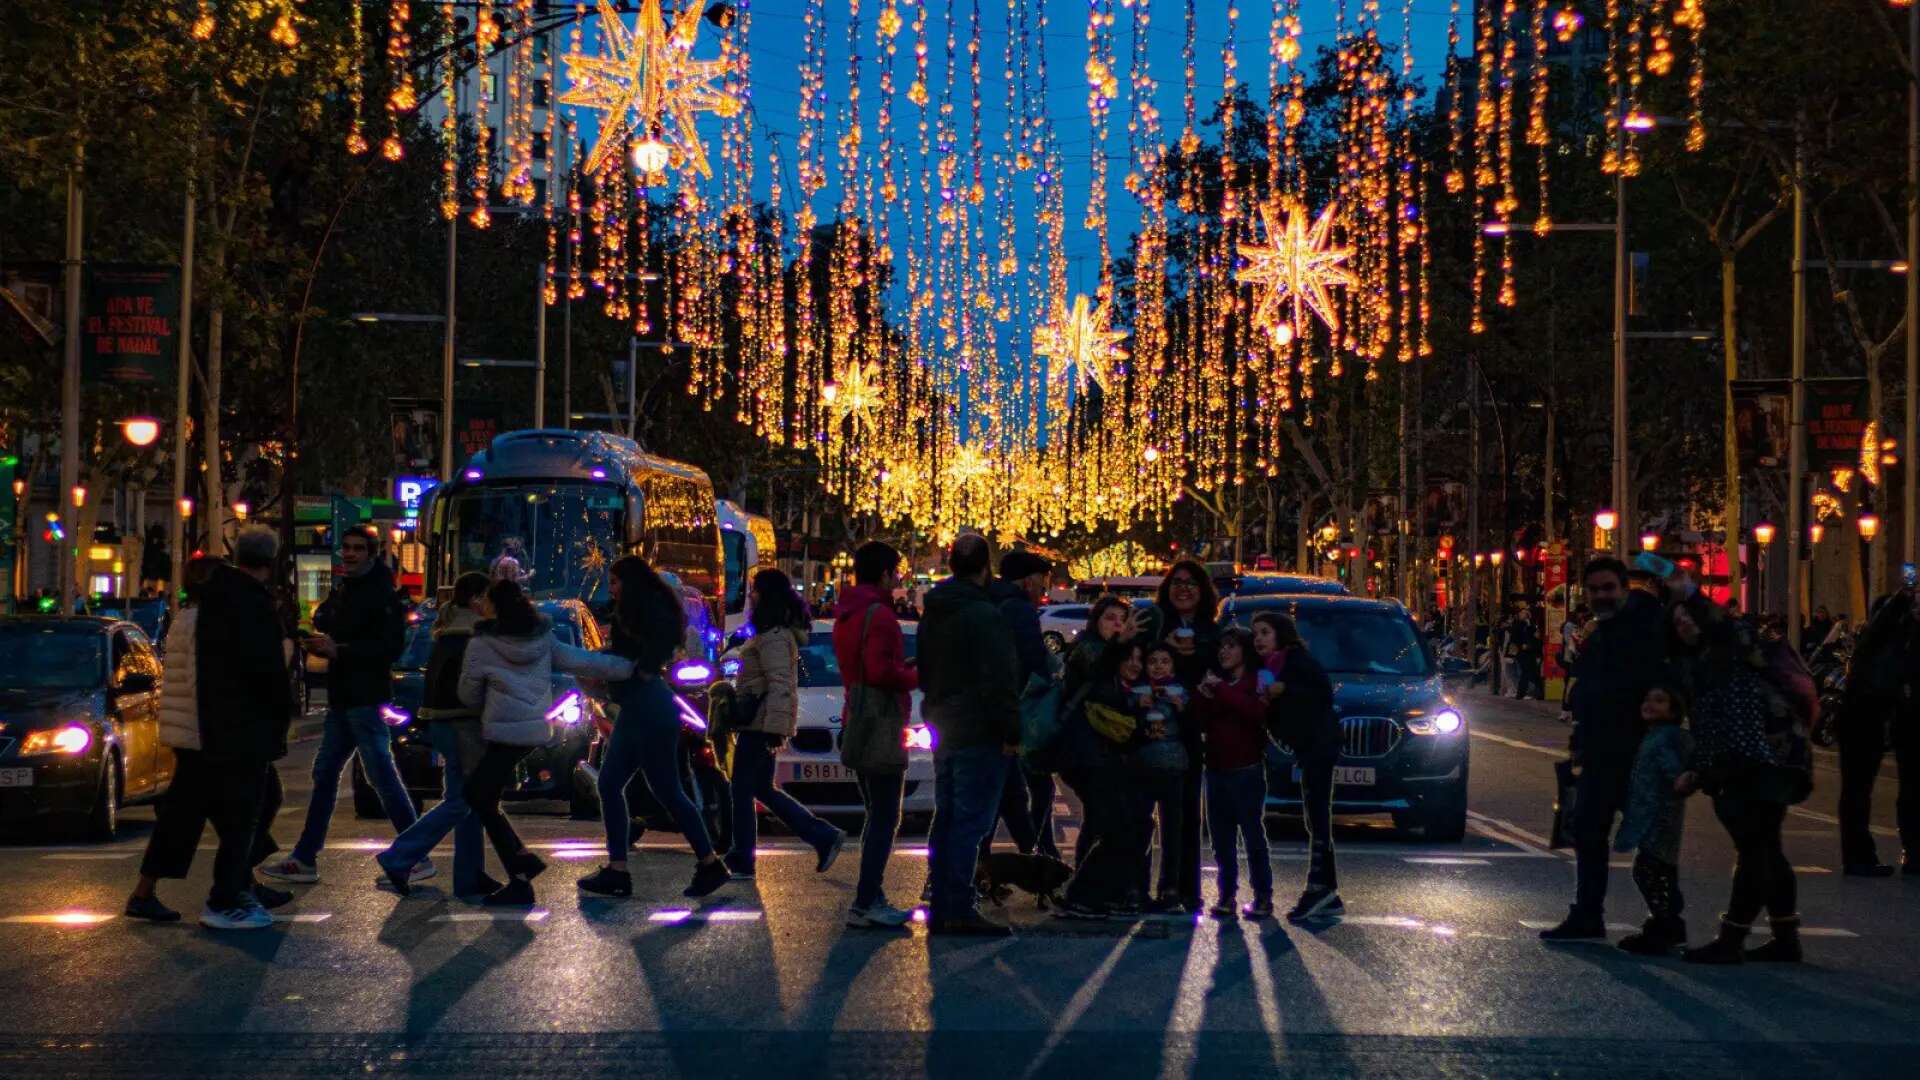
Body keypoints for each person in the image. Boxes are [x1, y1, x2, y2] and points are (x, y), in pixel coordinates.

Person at [126, 539, 294, 929]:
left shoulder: (187, 618)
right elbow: (241, 674)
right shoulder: (217, 621)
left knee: (188, 816)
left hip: (191, 731)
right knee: (249, 807)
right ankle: (232, 889)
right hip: (210, 732)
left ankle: (152, 892)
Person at [455, 578, 634, 906]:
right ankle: (520, 873)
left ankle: (520, 865)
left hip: (502, 730)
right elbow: (584, 660)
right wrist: (632, 667)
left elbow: (468, 695)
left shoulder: (481, 645)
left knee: (477, 795)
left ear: (493, 608)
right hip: (534, 732)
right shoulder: (542, 639)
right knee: (484, 796)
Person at [264, 526, 416, 885]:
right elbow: (326, 618)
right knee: (327, 774)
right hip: (344, 697)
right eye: (345, 548)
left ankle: (414, 850)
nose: (349, 554)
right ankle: (305, 856)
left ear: (372, 553)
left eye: (357, 549)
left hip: (364, 697)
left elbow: (390, 648)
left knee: (379, 773)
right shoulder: (348, 588)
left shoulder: (381, 594)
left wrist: (340, 650)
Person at [1668, 595, 1813, 963]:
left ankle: (1732, 938)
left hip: (1757, 765)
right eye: (1679, 618)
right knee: (1768, 849)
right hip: (1775, 760)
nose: (1683, 624)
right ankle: (1785, 937)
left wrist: (1699, 773)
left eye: (1691, 618)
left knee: (1755, 850)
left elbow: (1731, 732)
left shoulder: (1724, 661)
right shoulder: (1714, 657)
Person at [579, 556, 731, 899]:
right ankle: (628, 867)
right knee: (625, 785)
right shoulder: (648, 613)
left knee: (658, 790)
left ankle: (703, 864)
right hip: (645, 707)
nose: (611, 589)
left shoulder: (635, 615)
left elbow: (629, 661)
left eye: (615, 582)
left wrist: (630, 669)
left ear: (629, 583)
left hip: (644, 709)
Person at [1540, 557, 1669, 941]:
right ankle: (1587, 914)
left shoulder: (1647, 628)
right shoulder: (1601, 633)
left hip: (1639, 752)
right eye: (1594, 590)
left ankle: (1665, 920)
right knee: (1588, 832)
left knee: (1651, 839)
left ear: (1624, 588)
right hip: (1599, 751)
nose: (1601, 596)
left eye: (1609, 588)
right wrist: (1579, 744)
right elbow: (1589, 692)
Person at [917, 533, 1023, 936]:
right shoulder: (984, 615)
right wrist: (1011, 729)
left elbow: (925, 669)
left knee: (948, 817)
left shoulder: (936, 612)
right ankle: (957, 904)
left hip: (944, 721)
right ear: (985, 567)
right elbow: (1001, 679)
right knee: (969, 822)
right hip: (979, 727)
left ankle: (944, 901)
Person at [374, 573, 498, 900]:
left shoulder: (447, 632)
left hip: (445, 725)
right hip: (463, 726)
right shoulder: (473, 636)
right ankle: (399, 857)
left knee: (466, 801)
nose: (492, 606)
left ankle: (470, 876)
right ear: (475, 600)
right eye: (488, 598)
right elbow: (473, 689)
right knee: (463, 802)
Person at [726, 568, 849, 879]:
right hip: (760, 722)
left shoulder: (775, 638)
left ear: (766, 595)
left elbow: (781, 683)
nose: (751, 595)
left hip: (760, 724)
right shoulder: (770, 635)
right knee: (760, 789)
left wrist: (775, 729)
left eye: (754, 590)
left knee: (743, 789)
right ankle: (820, 835)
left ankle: (744, 855)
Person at [834, 542, 921, 928]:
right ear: (885, 573)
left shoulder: (847, 612)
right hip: (882, 722)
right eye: (896, 571)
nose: (899, 578)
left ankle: (869, 896)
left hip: (856, 714)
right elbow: (882, 673)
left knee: (876, 813)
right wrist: (917, 675)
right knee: (886, 815)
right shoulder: (881, 616)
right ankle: (867, 899)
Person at [1138, 558, 1218, 911]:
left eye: (1191, 583)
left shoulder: (1212, 634)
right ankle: (1138, 887)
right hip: (1150, 729)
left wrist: (1197, 656)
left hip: (1187, 732)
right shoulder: (1156, 627)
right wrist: (1165, 647)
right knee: (1141, 813)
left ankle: (1183, 890)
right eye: (1177, 582)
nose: (1183, 588)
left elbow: (1220, 672)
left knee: (1184, 813)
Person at [1254, 611, 1340, 922]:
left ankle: (1319, 886)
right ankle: (1327, 889)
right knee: (1313, 813)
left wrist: (1285, 691)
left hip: (1319, 744)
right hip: (1305, 747)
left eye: (1265, 632)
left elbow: (1322, 695)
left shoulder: (1297, 662)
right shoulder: (1269, 666)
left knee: (1317, 814)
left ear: (1281, 634)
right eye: (1256, 634)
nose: (1259, 639)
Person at [978, 551, 1054, 866]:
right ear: (1028, 580)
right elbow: (1034, 665)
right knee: (1032, 788)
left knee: (1008, 796)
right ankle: (1040, 860)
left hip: (985, 717)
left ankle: (1038, 859)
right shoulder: (1020, 610)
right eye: (1041, 583)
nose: (1043, 591)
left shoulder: (986, 603)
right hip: (1013, 716)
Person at [1838, 585, 1919, 876]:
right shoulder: (1876, 641)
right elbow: (1884, 623)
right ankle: (1858, 856)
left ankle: (1901, 853)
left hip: (1880, 718)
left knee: (1870, 790)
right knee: (1858, 791)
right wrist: (1901, 599)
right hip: (1863, 719)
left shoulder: (1899, 645)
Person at [1195, 627, 1273, 920]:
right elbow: (1201, 719)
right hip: (1216, 770)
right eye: (1222, 647)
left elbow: (1256, 712)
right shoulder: (1217, 682)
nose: (1224, 652)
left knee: (1252, 835)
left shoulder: (1260, 678)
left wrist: (1220, 691)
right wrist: (1203, 695)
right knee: (1221, 839)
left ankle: (1263, 895)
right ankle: (1227, 895)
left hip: (1247, 770)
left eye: (1231, 646)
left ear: (1245, 650)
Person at [1612, 682, 1695, 956]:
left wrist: (1679, 780)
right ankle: (1667, 921)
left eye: (1659, 701)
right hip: (1655, 813)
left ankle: (1665, 923)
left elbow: (1672, 770)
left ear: (1673, 710)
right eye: (1648, 699)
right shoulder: (1655, 734)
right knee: (1659, 870)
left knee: (1648, 869)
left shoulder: (1663, 738)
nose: (1650, 705)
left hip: (1659, 815)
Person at [1133, 643, 1191, 913]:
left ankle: (1169, 889)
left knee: (1172, 832)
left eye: (1165, 661)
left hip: (1172, 766)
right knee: (1141, 829)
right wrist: (1138, 706)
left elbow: (1192, 725)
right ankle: (1139, 888)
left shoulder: (1179, 691)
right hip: (1143, 767)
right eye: (1153, 661)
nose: (1158, 666)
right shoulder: (1139, 690)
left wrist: (1182, 708)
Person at [1507, 609, 1544, 701]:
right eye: (1521, 613)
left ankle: (1539, 692)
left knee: (1532, 673)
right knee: (1527, 672)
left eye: (1524, 613)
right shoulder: (1518, 625)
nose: (1521, 614)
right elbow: (1515, 638)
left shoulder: (1531, 625)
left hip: (1530, 652)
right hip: (1522, 652)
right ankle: (1522, 693)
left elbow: (1535, 637)